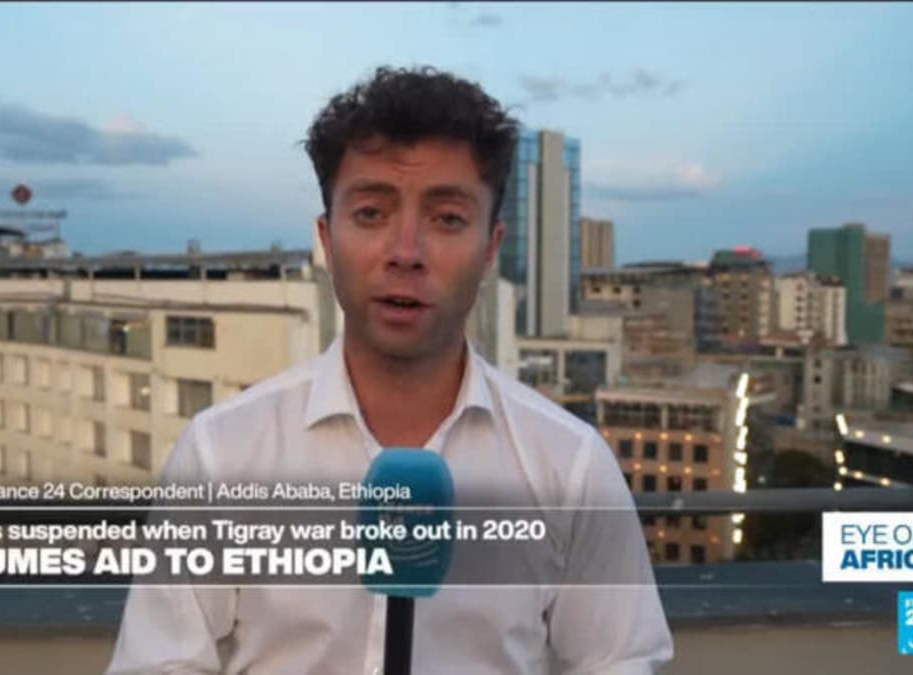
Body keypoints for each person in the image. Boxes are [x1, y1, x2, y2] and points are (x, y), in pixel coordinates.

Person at [106, 65, 673, 674]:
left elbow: (618, 662)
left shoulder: (571, 466)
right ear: (327, 240)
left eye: (447, 218)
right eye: (372, 214)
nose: (406, 253)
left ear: (489, 248)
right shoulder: (223, 452)